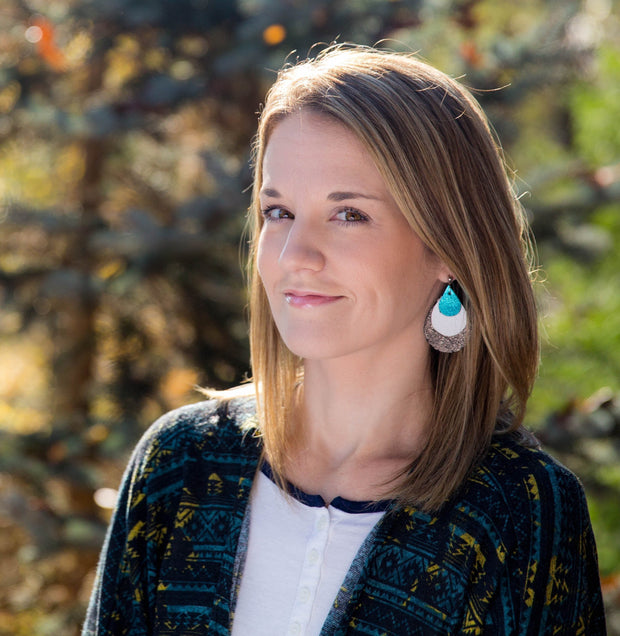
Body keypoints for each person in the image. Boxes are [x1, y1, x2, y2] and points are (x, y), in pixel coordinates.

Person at [83, 44, 606, 635]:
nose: (294, 256)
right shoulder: (179, 465)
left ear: (447, 246)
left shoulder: (522, 510)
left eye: (348, 214)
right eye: (277, 212)